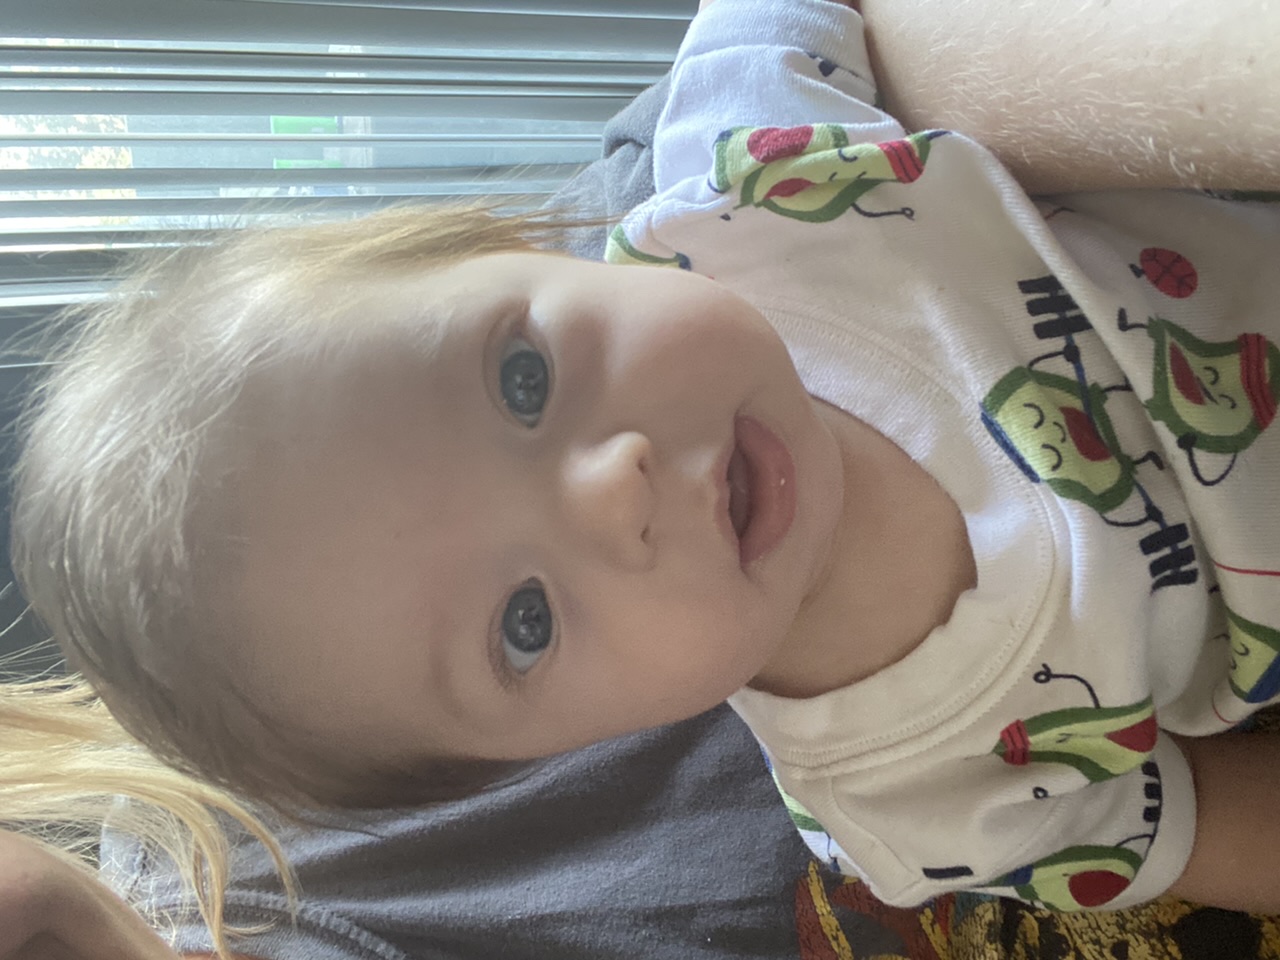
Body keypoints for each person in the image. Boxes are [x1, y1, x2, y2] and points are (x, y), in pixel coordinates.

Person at [4, 0, 1280, 956]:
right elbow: (1225, 828)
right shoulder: (920, 800)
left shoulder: (750, 179)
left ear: (517, 243)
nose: (613, 491)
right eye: (525, 623)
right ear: (561, 747)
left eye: (521, 381)